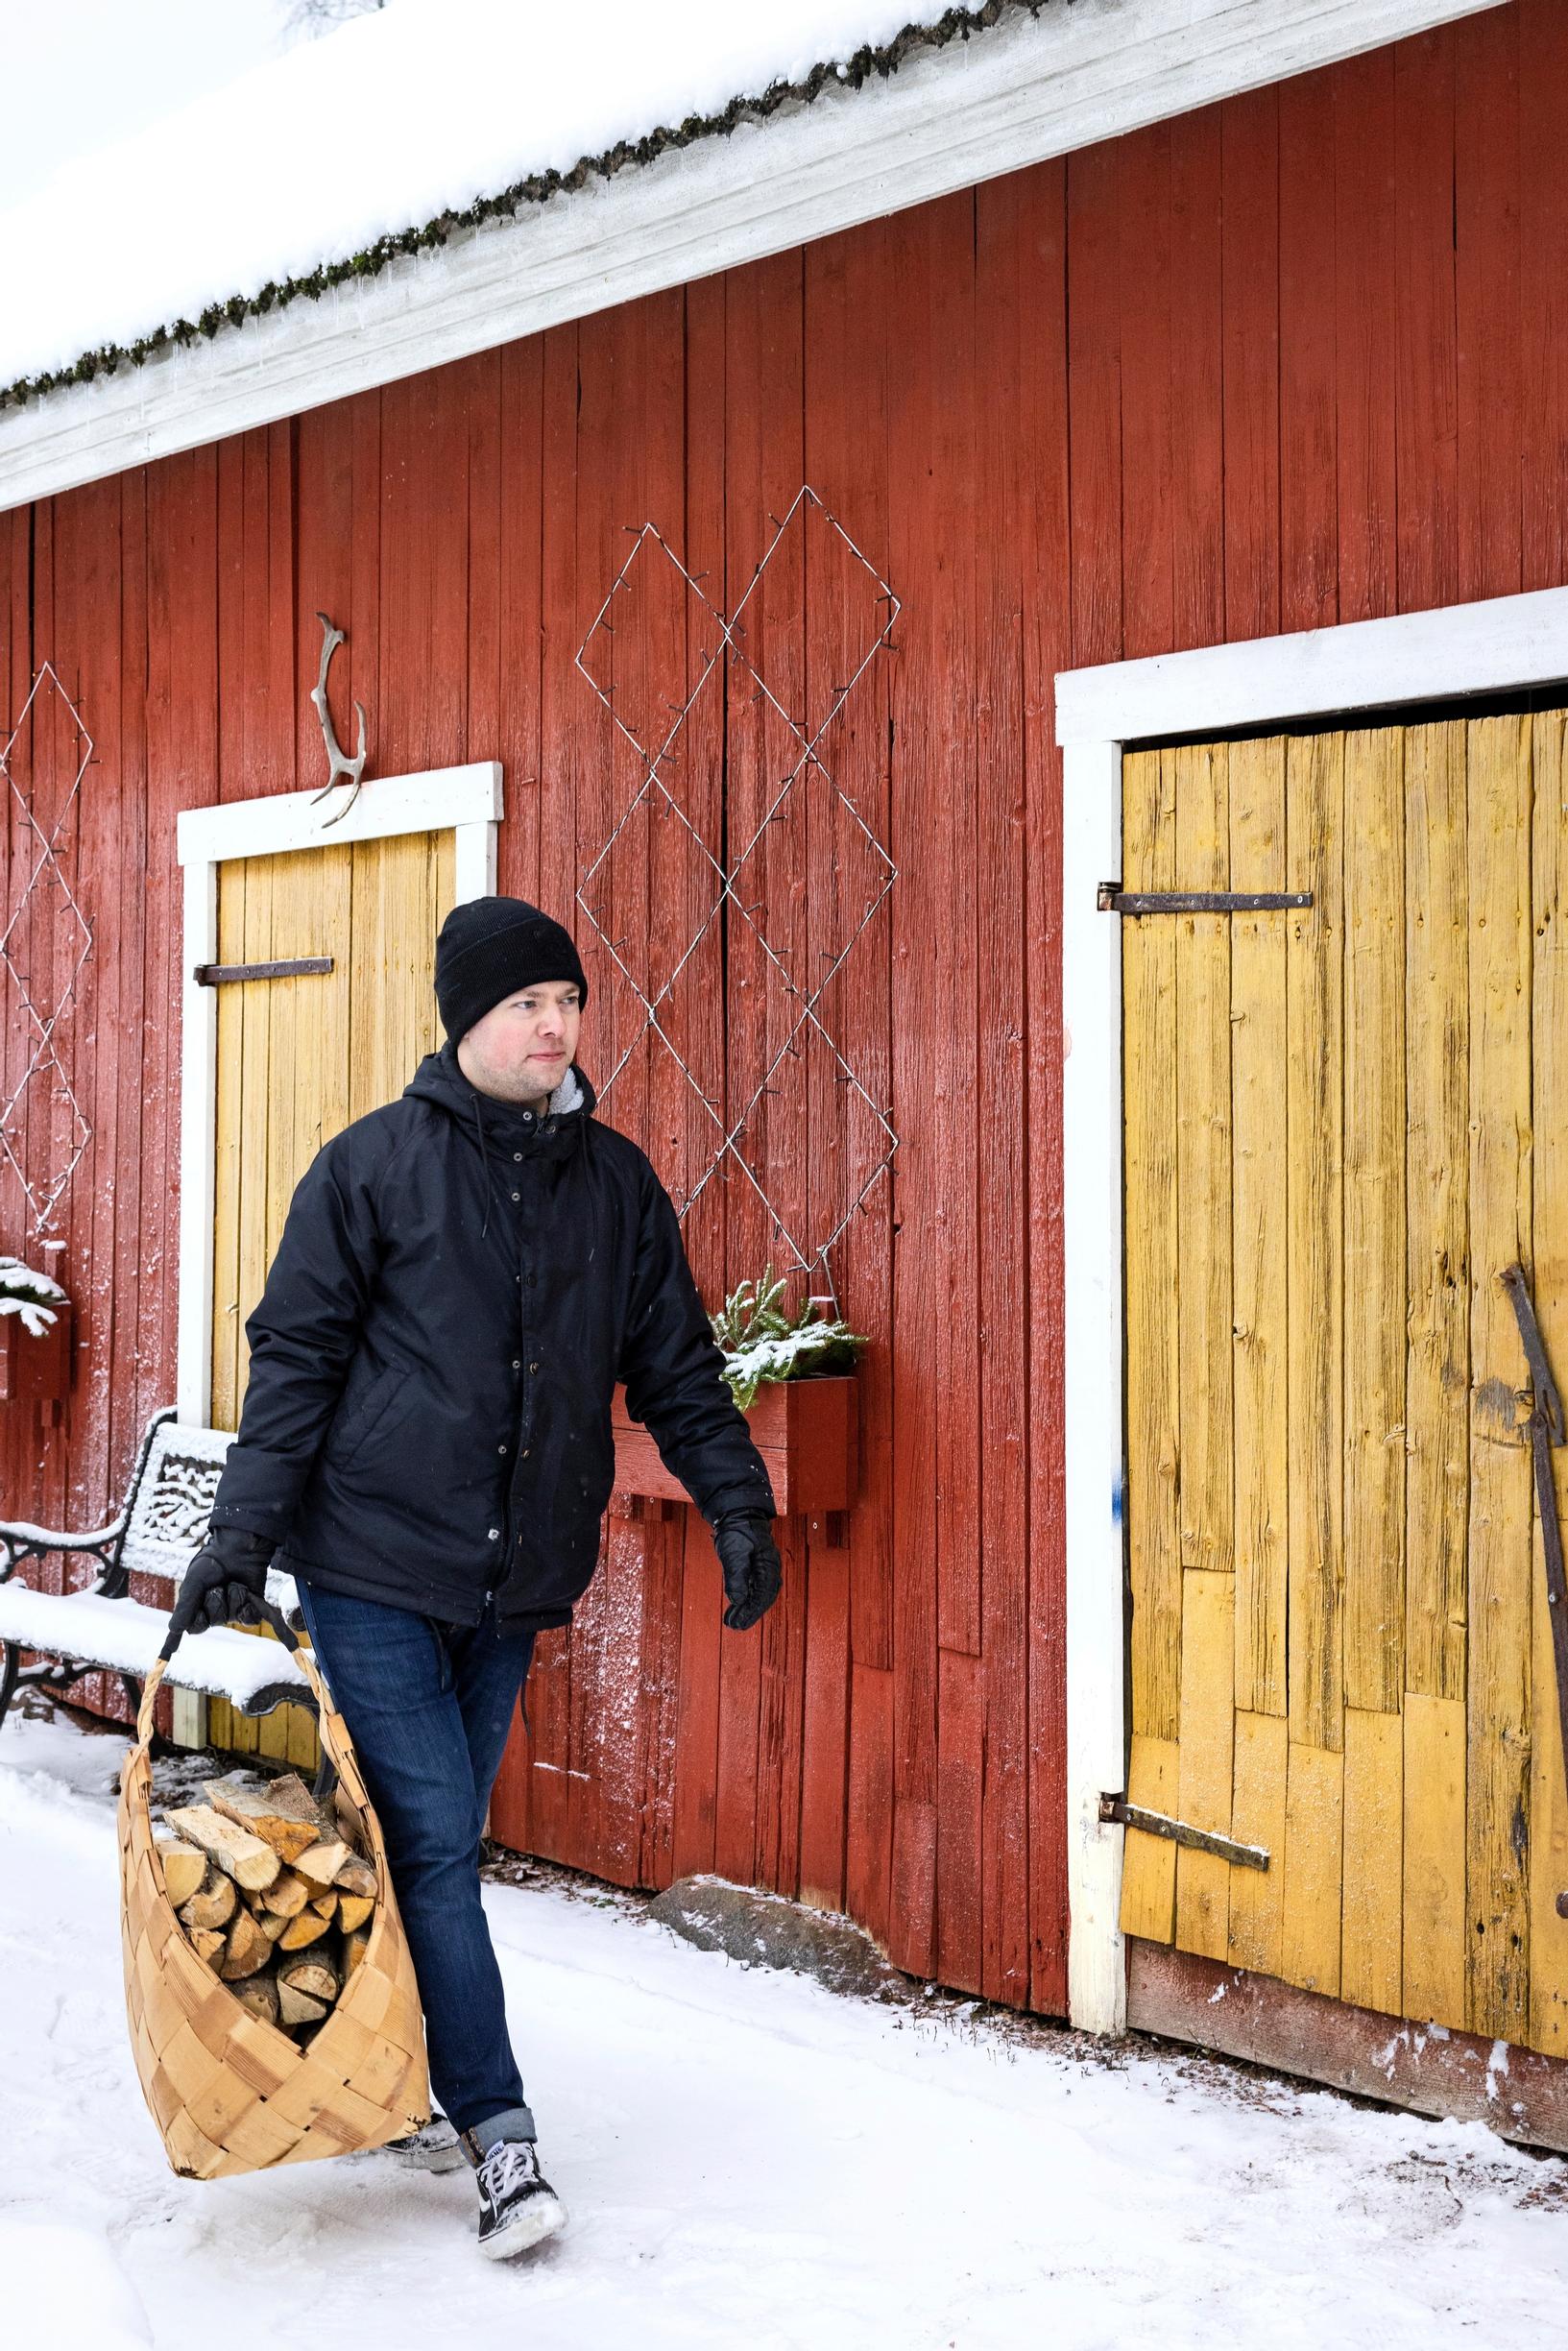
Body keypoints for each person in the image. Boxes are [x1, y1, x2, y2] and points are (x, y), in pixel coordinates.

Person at [167, 894, 783, 2261]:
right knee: (440, 1843)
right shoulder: (372, 1168)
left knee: (413, 1842)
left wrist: (736, 1502)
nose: (555, 1026)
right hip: (373, 1560)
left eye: (569, 1001)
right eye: (527, 1005)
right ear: (467, 1022)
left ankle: (381, 2064)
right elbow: (299, 1366)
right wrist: (241, 1541)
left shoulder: (613, 1182)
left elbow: (672, 1365)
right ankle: (498, 2134)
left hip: (511, 1585)